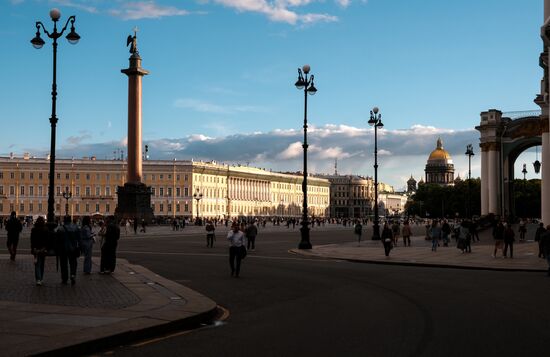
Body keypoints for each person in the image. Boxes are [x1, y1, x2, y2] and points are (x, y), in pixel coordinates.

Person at [56, 215, 81, 285]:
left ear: (64, 220)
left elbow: (57, 240)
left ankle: (64, 278)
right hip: (73, 248)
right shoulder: (76, 227)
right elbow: (79, 239)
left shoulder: (60, 229)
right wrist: (79, 247)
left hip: (63, 249)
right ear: (70, 220)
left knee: (64, 264)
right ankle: (73, 275)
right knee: (73, 263)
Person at [30, 217, 49, 285]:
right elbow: (47, 241)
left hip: (36, 249)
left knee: (37, 264)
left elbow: (32, 240)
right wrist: (45, 248)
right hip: (43, 249)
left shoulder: (34, 229)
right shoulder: (46, 229)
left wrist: (33, 248)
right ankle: (41, 278)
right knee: (42, 264)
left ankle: (38, 279)